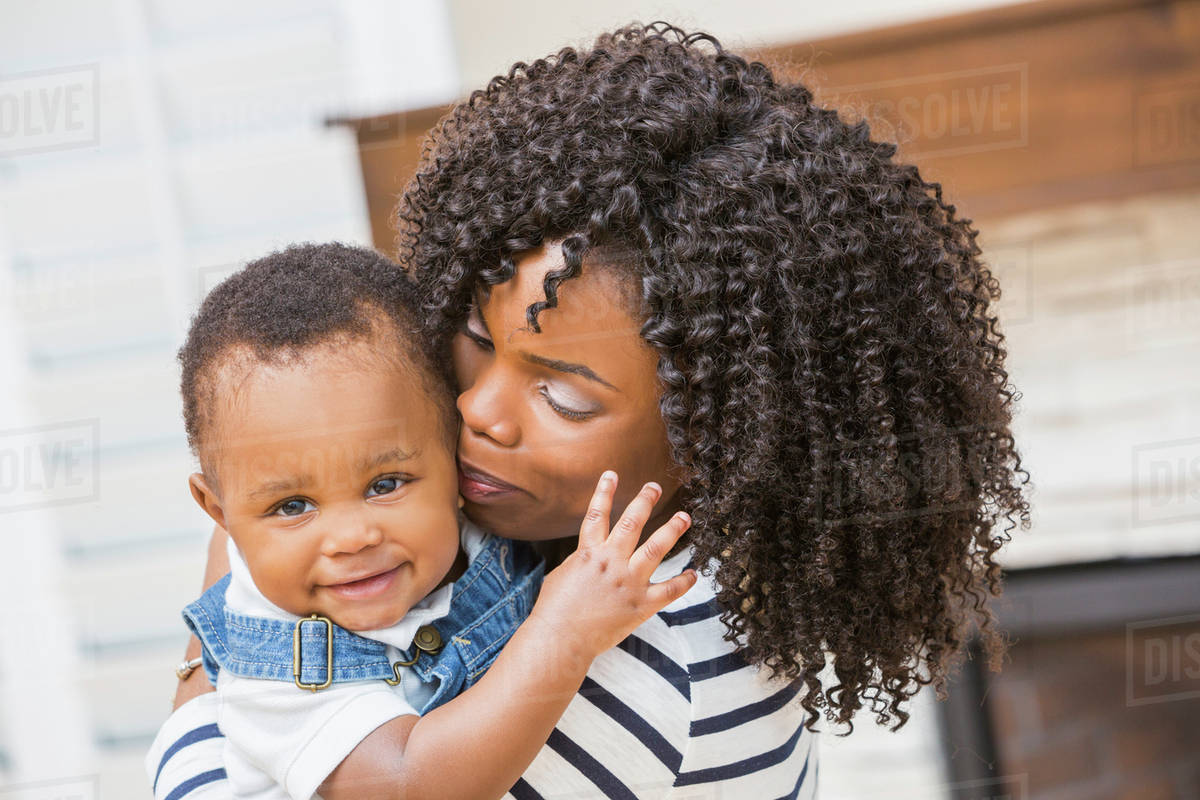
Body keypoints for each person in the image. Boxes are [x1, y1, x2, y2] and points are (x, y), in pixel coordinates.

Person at [147, 22, 1030, 800]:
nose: (480, 413)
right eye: (474, 339)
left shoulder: (647, 654)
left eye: (563, 395)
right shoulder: (530, 531)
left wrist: (218, 652)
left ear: (711, 440)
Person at [157, 242, 696, 800]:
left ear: (451, 452)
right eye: (292, 506)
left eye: (384, 485)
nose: (351, 538)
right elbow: (413, 786)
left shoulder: (494, 514)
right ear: (220, 512)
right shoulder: (279, 669)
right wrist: (564, 633)